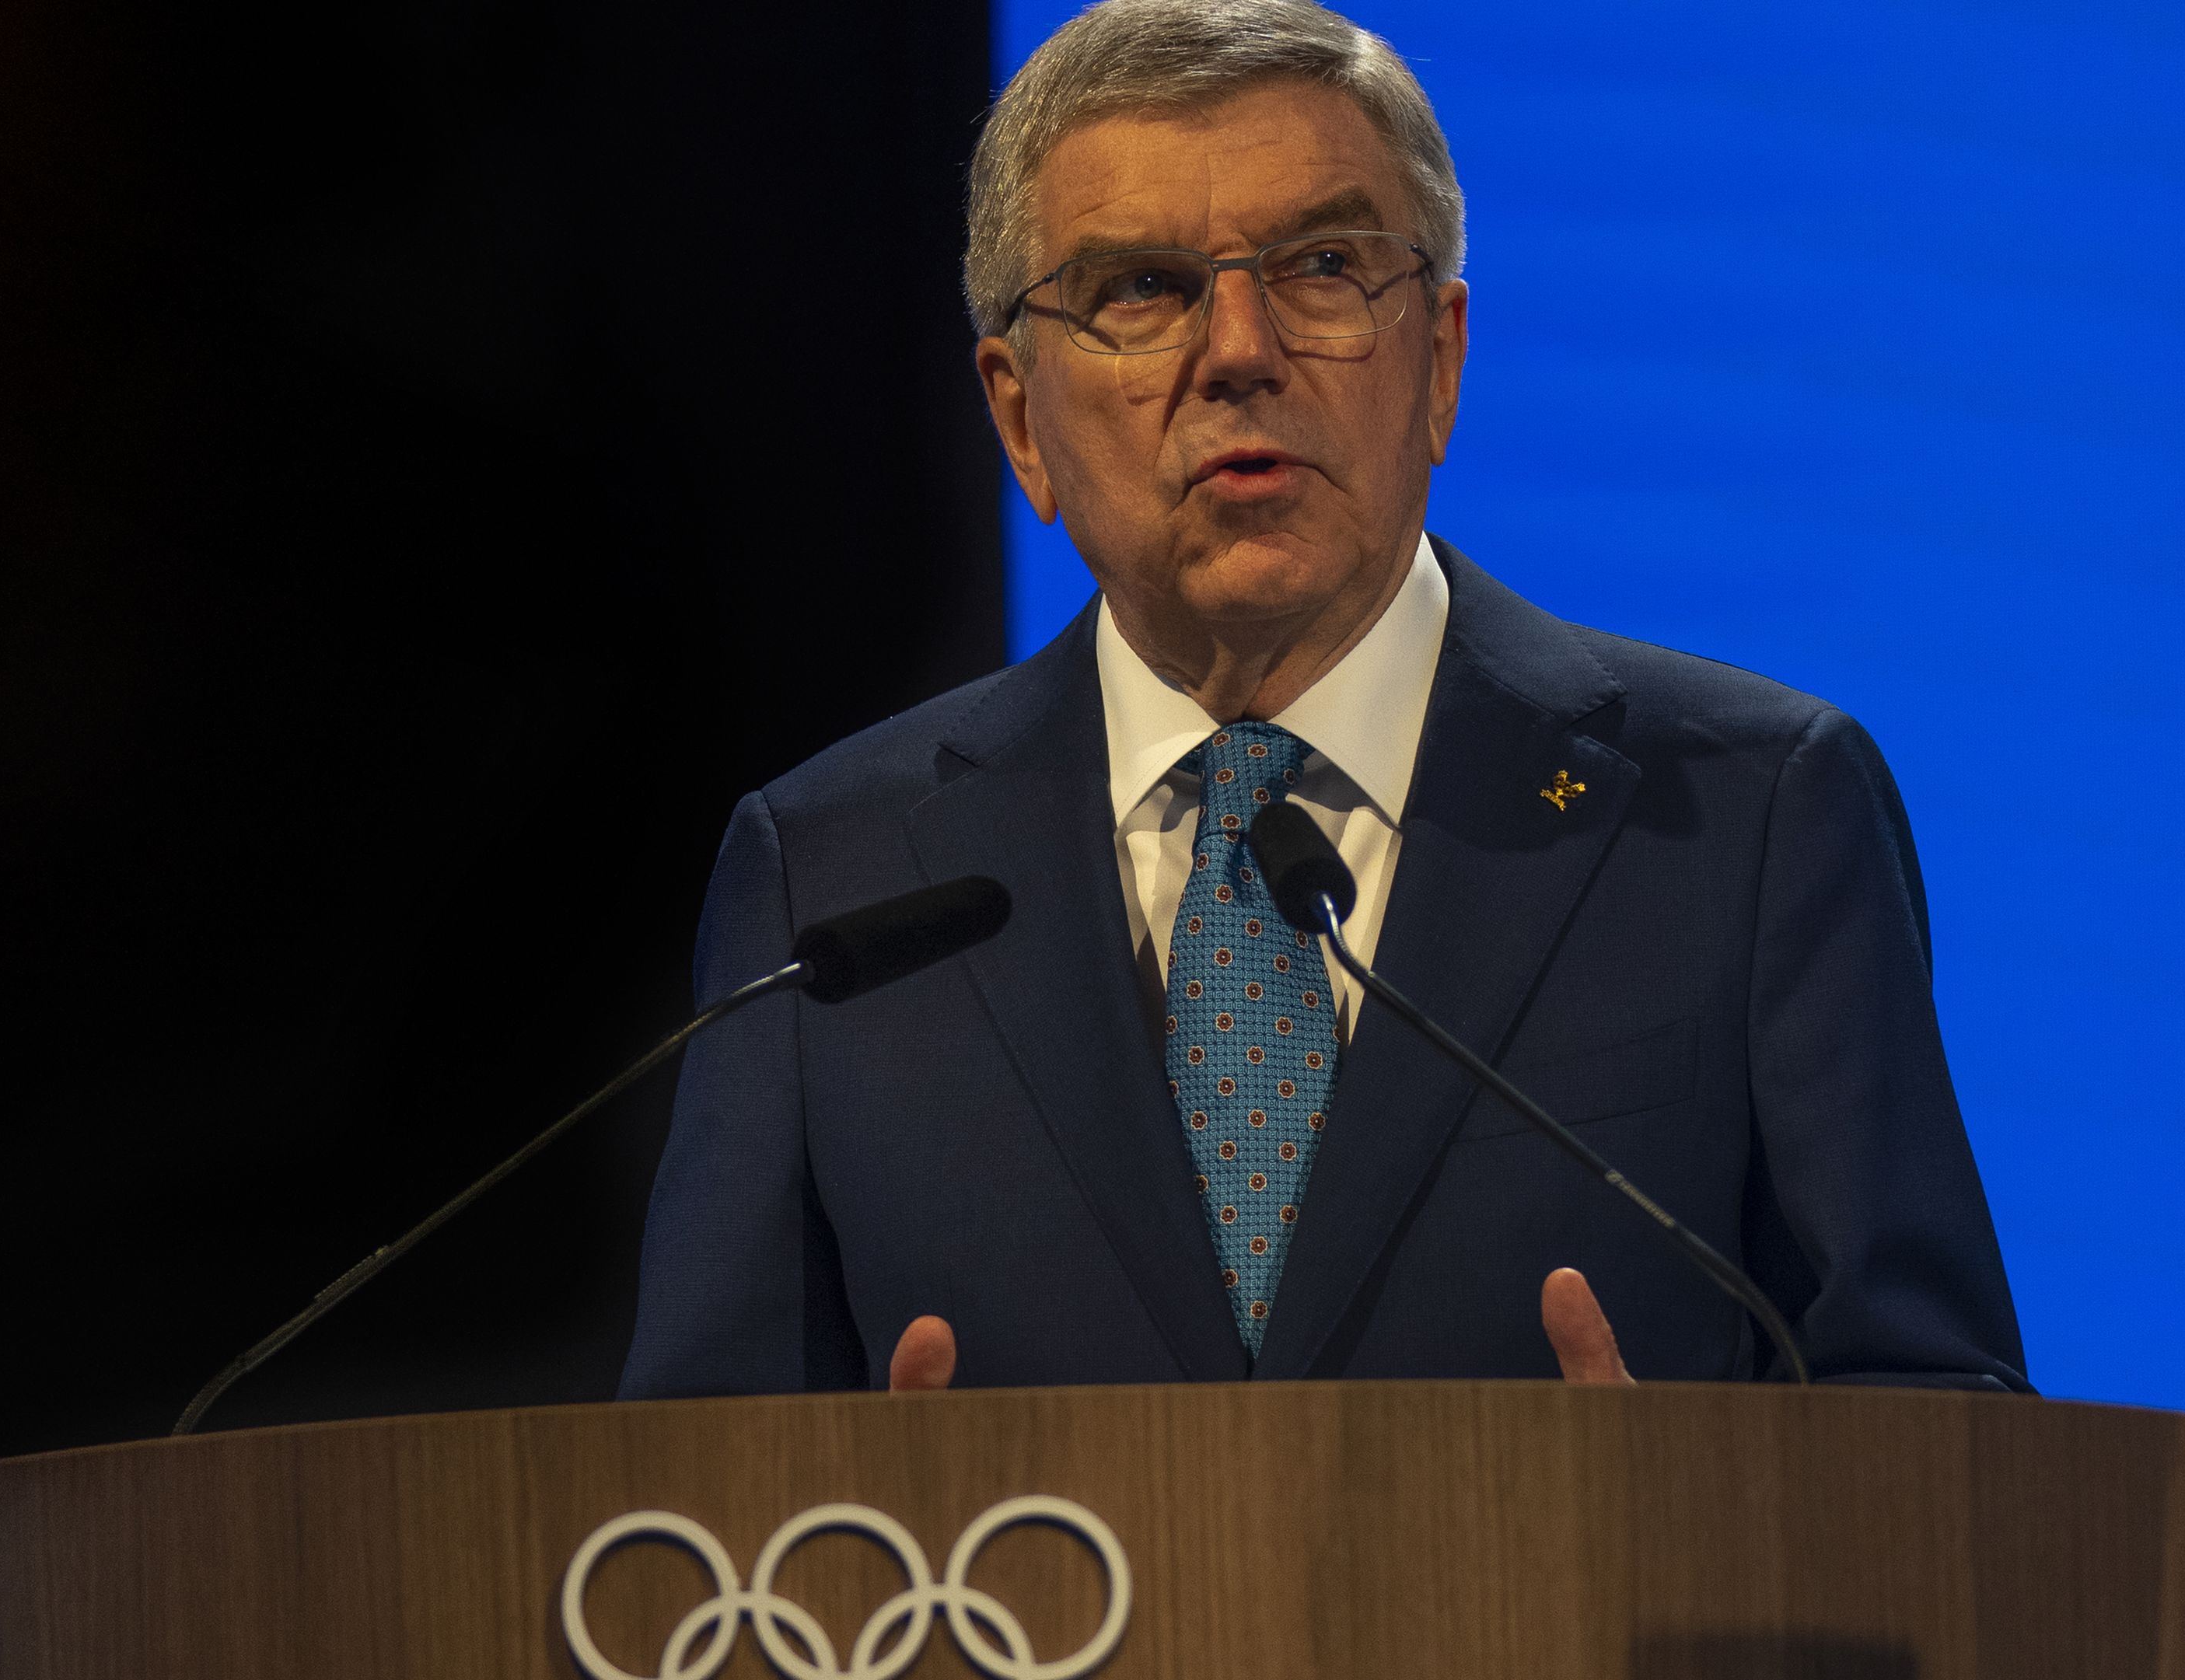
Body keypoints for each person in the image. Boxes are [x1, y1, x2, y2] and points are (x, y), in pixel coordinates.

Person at [619, 0, 2026, 1399]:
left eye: (1324, 266)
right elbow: (682, 1526)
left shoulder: (1748, 816)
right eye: (1142, 289)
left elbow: (1941, 1437)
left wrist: (1684, 1525)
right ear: (1020, 420)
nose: (1238, 350)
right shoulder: (833, 888)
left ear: (1441, 362)